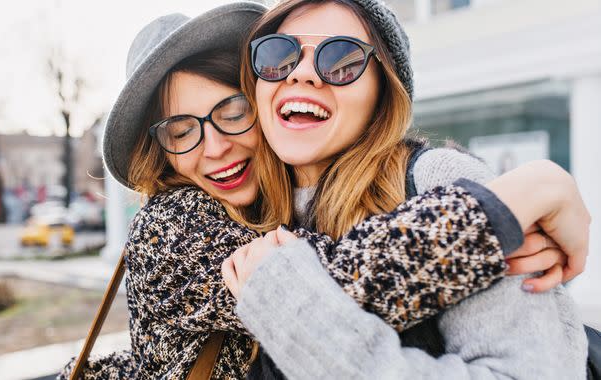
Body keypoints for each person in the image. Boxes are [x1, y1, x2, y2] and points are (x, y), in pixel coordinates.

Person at [58, 2, 589, 379]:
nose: (214, 147)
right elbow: (343, 278)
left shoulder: (432, 179)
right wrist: (511, 201)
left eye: (232, 112)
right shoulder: (178, 223)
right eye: (180, 131)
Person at [221, 0, 589, 378]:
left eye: (342, 60)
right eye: (277, 54)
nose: (301, 73)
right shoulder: (234, 214)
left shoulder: (440, 182)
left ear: (382, 93)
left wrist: (295, 312)